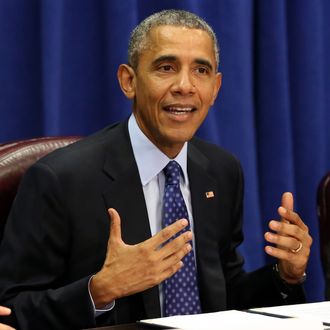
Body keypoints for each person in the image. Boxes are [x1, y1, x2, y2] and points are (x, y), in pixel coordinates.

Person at [0, 9, 312, 330]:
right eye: (166, 68)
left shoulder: (222, 170)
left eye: (201, 70)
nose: (185, 86)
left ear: (215, 88)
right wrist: (100, 290)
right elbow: (12, 307)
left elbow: (224, 297)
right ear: (129, 81)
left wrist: (284, 276)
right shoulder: (60, 179)